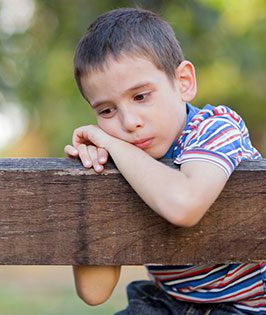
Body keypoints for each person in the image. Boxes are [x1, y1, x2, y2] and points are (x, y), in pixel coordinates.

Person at [64, 7, 265, 315]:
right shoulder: (121, 156)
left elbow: (183, 204)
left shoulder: (216, 127)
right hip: (168, 304)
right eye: (106, 111)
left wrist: (111, 143)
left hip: (248, 306)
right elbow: (95, 291)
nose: (129, 122)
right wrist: (94, 176)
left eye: (141, 96)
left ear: (183, 81)